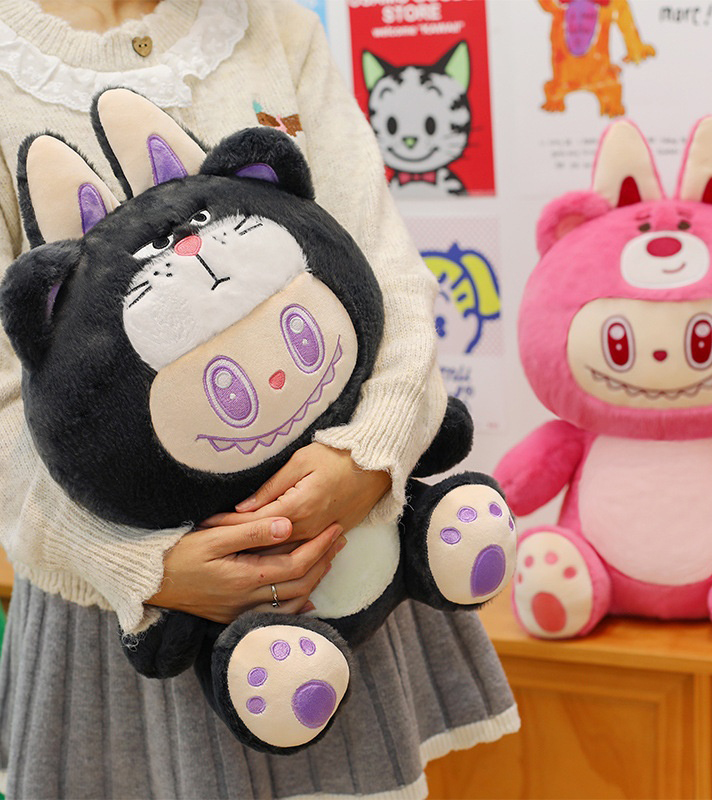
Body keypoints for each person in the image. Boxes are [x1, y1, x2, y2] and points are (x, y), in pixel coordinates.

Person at [0, 0, 520, 798]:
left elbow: (384, 269)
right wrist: (140, 568)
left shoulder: (275, 27)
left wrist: (371, 458)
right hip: (126, 614)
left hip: (341, 546)